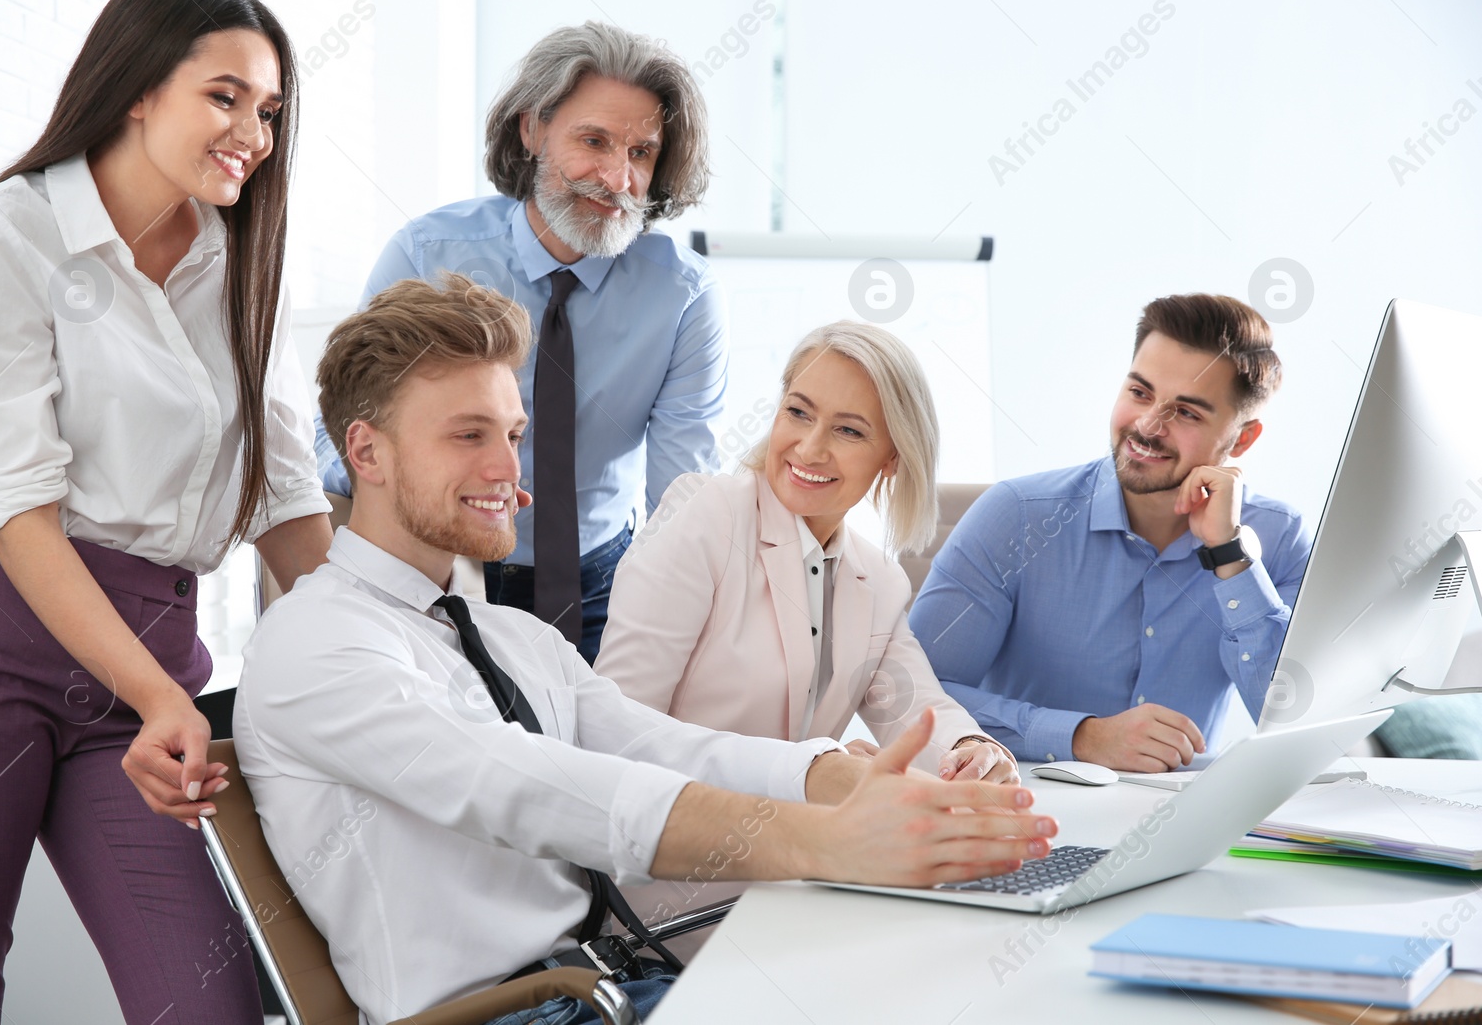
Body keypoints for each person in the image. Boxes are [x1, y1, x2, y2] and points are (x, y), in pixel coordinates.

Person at [240, 275, 1055, 1025]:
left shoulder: (512, 637)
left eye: (512, 434)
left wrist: (842, 779)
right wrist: (823, 837)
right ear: (366, 451)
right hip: (516, 1009)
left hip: (610, 986)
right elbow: (524, 787)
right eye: (467, 435)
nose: (509, 471)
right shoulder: (318, 643)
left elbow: (667, 746)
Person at [0, 0, 332, 1022]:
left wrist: (367, 660)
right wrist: (164, 694)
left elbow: (287, 498)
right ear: (138, 87)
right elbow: (20, 511)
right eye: (224, 96)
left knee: (209, 1000)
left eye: (267, 110)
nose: (254, 132)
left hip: (149, 653)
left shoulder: (241, 256)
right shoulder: (5, 233)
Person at [317, 20, 725, 663]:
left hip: (604, 586)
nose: (618, 179)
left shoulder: (682, 295)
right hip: (439, 573)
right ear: (532, 130)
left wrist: (685, 618)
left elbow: (684, 493)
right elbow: (339, 432)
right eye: (593, 141)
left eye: (641, 153)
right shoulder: (429, 254)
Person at [597, 322, 1016, 780]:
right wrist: (819, 769)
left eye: (849, 431)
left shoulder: (877, 578)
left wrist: (970, 749)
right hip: (671, 829)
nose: (811, 449)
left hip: (786, 839)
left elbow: (913, 705)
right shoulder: (709, 514)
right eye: (798, 412)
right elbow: (618, 726)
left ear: (893, 458)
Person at [910, 294, 1310, 772]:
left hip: (1186, 821)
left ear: (1242, 438)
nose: (1147, 425)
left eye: (1186, 413)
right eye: (1140, 393)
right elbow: (912, 700)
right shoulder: (1015, 517)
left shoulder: (1279, 537)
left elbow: (1297, 723)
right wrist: (1082, 736)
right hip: (1028, 812)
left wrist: (1229, 555)